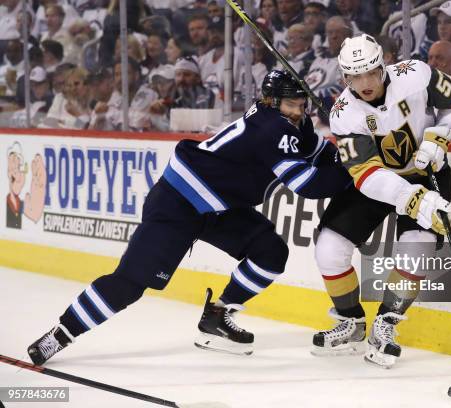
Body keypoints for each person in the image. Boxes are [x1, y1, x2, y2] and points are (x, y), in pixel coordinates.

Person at [27, 70, 352, 365]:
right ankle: (61, 334)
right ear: (271, 101)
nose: (300, 110)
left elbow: (319, 151)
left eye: (302, 103)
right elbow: (308, 184)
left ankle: (216, 317)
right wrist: (356, 169)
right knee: (129, 282)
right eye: (293, 104)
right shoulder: (273, 127)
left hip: (221, 205)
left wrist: (349, 150)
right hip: (180, 201)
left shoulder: (291, 121)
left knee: (271, 252)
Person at [311, 34, 451, 367]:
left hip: (427, 171)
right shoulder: (343, 114)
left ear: (383, 66)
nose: (364, 83)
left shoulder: (416, 74)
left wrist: (440, 136)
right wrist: (411, 199)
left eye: (370, 72)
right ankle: (350, 322)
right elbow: (366, 176)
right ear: (344, 77)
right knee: (328, 247)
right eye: (354, 76)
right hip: (378, 181)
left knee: (418, 248)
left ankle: (386, 324)